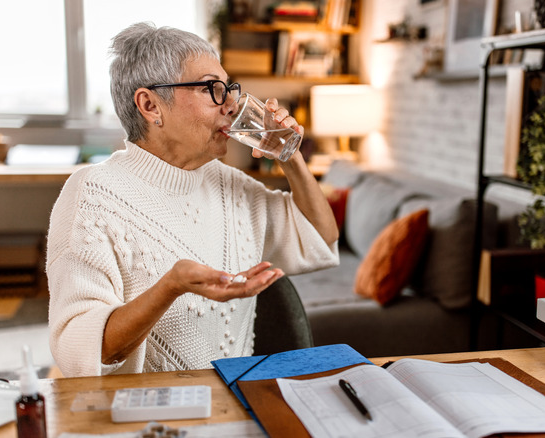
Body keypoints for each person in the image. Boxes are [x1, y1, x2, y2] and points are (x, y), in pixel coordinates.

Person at [47, 22, 339, 377]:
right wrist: (170, 287)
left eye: (229, 88)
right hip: (143, 422)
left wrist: (290, 155)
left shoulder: (229, 183)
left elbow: (321, 238)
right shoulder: (93, 195)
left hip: (233, 409)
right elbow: (82, 351)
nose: (231, 105)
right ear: (150, 105)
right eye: (211, 89)